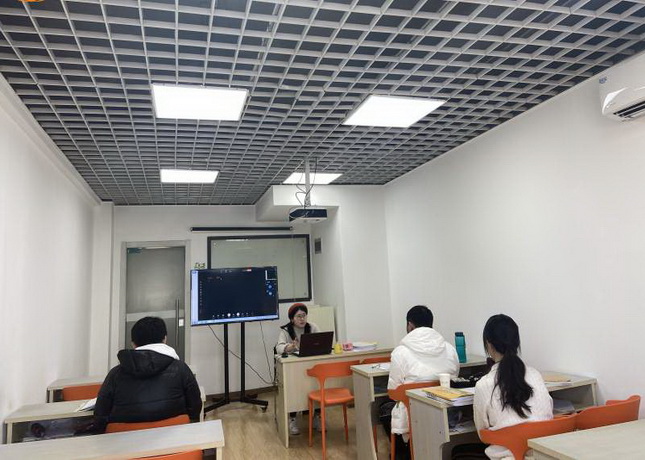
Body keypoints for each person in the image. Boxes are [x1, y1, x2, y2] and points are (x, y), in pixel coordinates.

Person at [93, 316, 202, 432]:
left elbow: (100, 415)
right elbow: (195, 407)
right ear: (165, 339)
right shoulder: (181, 368)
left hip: (125, 441)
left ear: (133, 344)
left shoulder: (115, 374)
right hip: (177, 439)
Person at [473, 314, 553, 460]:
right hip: (542, 455)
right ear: (517, 342)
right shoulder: (535, 375)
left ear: (488, 344)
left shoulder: (483, 385)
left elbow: (483, 435)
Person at [384, 305, 460, 457]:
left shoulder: (400, 352)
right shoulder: (449, 348)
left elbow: (393, 391)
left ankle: (404, 453)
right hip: (447, 411)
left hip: (413, 414)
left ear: (410, 325)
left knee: (384, 409)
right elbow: (455, 377)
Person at [275, 303, 321, 435]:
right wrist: (289, 347)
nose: (302, 319)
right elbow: (278, 347)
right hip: (294, 369)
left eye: (304, 315)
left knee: (318, 386)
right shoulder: (285, 331)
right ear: (292, 319)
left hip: (311, 366)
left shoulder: (312, 327)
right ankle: (293, 418)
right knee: (294, 389)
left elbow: (322, 341)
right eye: (298, 316)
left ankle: (317, 416)